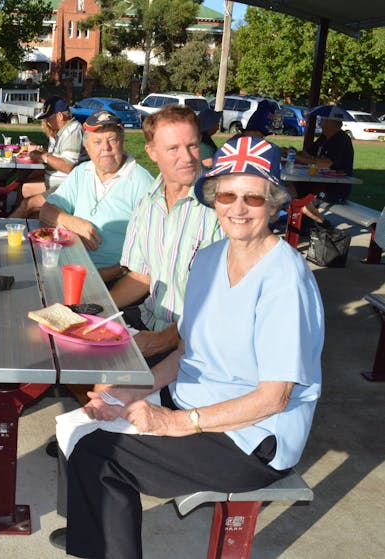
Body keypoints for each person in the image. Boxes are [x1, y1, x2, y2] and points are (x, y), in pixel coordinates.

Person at [62, 135, 324, 558]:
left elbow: (275, 397)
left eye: (253, 198)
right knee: (83, 421)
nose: (237, 208)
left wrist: (174, 422)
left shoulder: (284, 280)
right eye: (227, 194)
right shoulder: (207, 259)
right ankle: (96, 534)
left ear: (275, 204)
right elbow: (187, 352)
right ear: (213, 198)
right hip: (196, 400)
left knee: (100, 456)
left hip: (250, 436)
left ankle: (103, 540)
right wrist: (132, 392)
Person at [110, 105, 224, 365]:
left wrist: (163, 340)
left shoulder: (220, 208)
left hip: (193, 339)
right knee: (76, 352)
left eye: (193, 146)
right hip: (149, 319)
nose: (187, 157)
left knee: (107, 386)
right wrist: (97, 309)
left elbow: (222, 302)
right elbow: (141, 276)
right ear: (152, 152)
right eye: (173, 149)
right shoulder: (147, 203)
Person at [39, 110, 153, 283]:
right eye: (97, 141)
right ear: (87, 147)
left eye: (112, 140)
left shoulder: (142, 182)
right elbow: (46, 212)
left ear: (121, 142)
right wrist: (74, 223)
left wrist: (111, 272)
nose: (105, 148)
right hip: (68, 269)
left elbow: (149, 253)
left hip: (113, 280)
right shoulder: (81, 172)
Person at [9, 95, 88, 218]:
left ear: (60, 116)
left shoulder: (73, 130)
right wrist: (41, 152)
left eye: (49, 119)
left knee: (27, 204)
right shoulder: (61, 132)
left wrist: (42, 156)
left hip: (66, 187)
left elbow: (67, 166)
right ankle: (31, 227)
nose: (47, 123)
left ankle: (4, 231)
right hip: (55, 183)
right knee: (23, 189)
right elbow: (56, 157)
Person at [289, 107, 355, 226]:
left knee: (296, 193)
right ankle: (307, 222)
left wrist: (298, 157)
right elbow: (308, 154)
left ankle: (312, 223)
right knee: (291, 187)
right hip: (318, 182)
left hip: (335, 188)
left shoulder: (342, 140)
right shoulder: (324, 138)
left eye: (323, 120)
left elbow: (326, 163)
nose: (320, 123)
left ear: (332, 123)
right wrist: (292, 152)